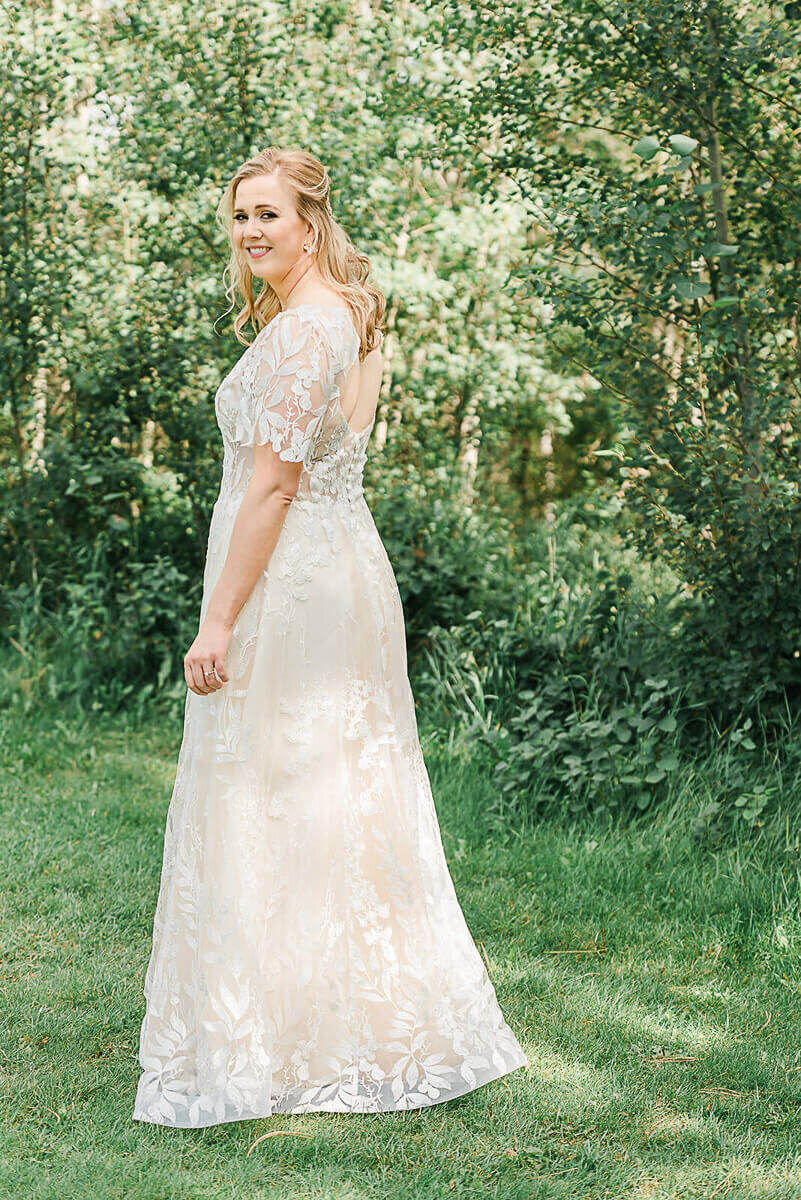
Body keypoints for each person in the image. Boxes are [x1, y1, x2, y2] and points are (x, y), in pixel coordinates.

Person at [132, 147, 528, 1128]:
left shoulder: (309, 330)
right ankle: (331, 1023)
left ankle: (280, 1038)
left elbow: (274, 484)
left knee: (273, 790)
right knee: (333, 795)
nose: (252, 231)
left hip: (293, 584)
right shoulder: (348, 314)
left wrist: (218, 617)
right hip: (338, 569)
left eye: (268, 213)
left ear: (310, 220)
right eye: (239, 218)